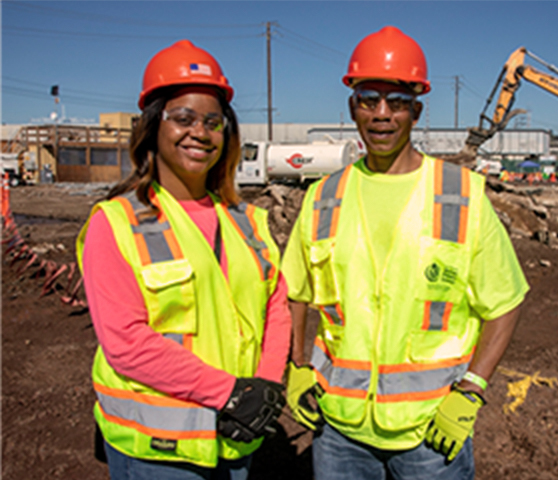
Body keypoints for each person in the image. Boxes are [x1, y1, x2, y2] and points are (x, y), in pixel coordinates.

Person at [281, 26, 529, 480]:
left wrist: (470, 390)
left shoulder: (461, 195)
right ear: (351, 106)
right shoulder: (322, 198)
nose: (381, 114)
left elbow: (505, 301)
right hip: (339, 428)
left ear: (415, 110)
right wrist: (297, 367)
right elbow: (294, 291)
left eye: (396, 102)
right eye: (368, 98)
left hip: (430, 432)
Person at [76, 40, 290, 479]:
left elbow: (275, 304)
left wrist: (265, 387)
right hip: (158, 451)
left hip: (235, 436)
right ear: (154, 126)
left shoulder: (246, 220)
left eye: (213, 121)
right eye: (183, 118)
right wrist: (230, 393)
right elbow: (125, 343)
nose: (200, 132)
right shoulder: (117, 222)